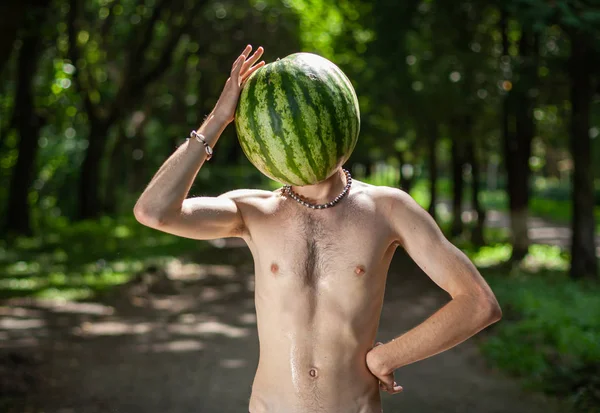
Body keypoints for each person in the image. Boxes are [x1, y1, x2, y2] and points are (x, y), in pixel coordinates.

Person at [133, 44, 502, 413]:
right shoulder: (253, 211)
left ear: (335, 114)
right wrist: (217, 119)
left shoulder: (388, 209)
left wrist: (386, 358)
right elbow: (154, 212)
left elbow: (478, 303)